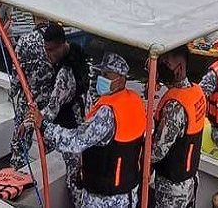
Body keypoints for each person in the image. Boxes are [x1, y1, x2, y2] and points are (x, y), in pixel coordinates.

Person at [27, 53, 145, 207]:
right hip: (129, 194)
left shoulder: (108, 113)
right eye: (101, 73)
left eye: (106, 75)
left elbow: (76, 141)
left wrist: (44, 125)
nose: (100, 78)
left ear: (121, 79)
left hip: (104, 199)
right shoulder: (136, 102)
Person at [39, 22, 90, 204]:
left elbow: (51, 111)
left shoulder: (65, 74)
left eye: (51, 50)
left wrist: (29, 122)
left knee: (74, 181)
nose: (48, 55)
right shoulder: (78, 54)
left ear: (62, 44)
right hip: (84, 125)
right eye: (46, 50)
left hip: (72, 132)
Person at [153, 45, 205, 208]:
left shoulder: (175, 106)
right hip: (190, 179)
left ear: (180, 68)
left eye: (166, 64)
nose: (162, 67)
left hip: (172, 187)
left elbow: (157, 152)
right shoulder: (197, 92)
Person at [9, 15, 54, 170]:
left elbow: (17, 72)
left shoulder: (25, 40)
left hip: (28, 100)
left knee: (20, 142)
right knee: (48, 141)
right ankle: (48, 174)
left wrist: (12, 92)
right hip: (49, 102)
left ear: (34, 17)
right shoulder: (55, 39)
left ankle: (17, 174)